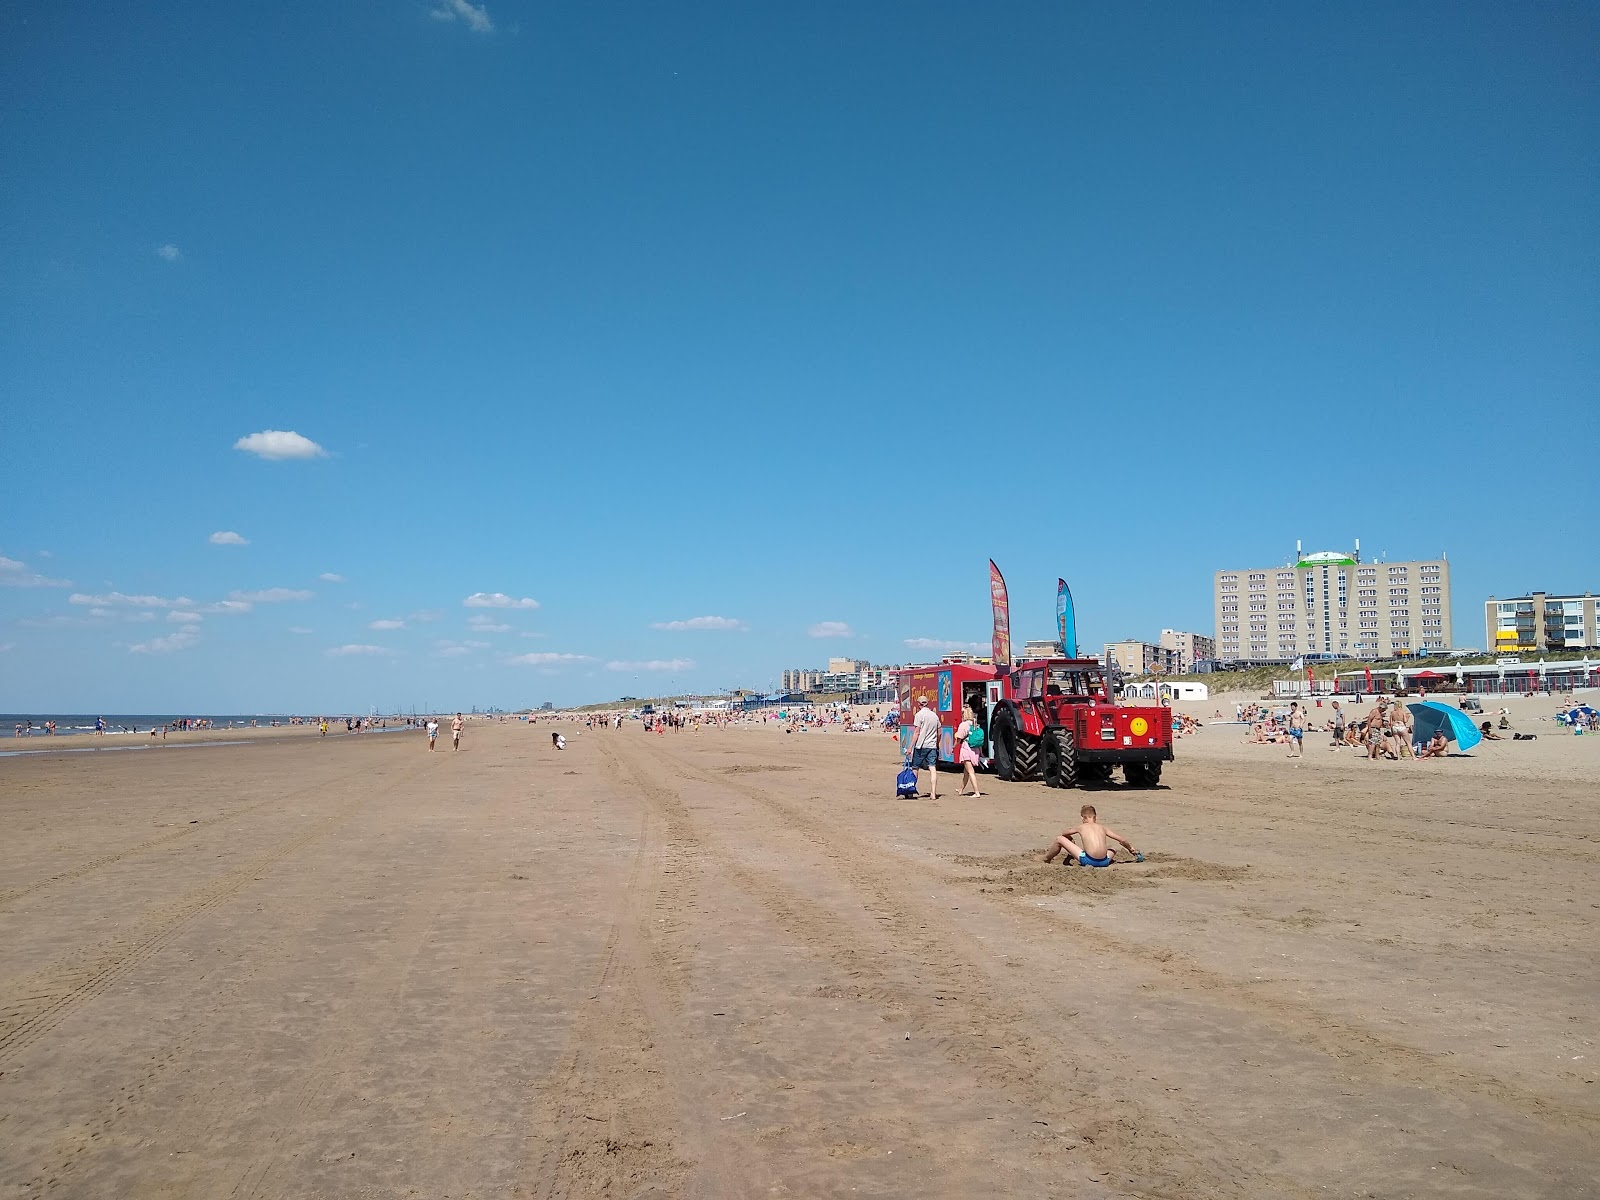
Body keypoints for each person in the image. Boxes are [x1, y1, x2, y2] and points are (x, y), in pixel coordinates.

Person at [1041, 803, 1142, 867]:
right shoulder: (1102, 827)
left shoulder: (1081, 827)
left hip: (1088, 861)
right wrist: (1131, 849)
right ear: (1095, 817)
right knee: (1112, 849)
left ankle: (1046, 859)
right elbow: (1123, 840)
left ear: (1082, 818)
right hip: (1104, 862)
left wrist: (1070, 839)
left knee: (1059, 839)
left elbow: (1063, 834)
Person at [910, 695, 941, 800]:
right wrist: (937, 743)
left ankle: (911, 791)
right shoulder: (934, 715)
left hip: (921, 745)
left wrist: (910, 747)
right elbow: (939, 732)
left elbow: (916, 732)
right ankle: (933, 793)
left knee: (915, 767)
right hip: (932, 745)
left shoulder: (919, 715)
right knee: (932, 768)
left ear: (919, 704)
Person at [954, 702, 985, 797]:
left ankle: (976, 792)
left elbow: (959, 738)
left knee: (970, 772)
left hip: (966, 748)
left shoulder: (963, 725)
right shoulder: (975, 724)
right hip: (975, 749)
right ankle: (961, 789)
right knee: (966, 772)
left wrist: (953, 747)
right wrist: (981, 752)